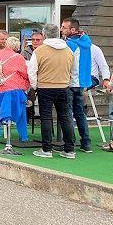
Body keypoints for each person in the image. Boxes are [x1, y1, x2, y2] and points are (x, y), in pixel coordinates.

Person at [28, 24, 76, 159]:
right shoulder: (68, 50)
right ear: (58, 33)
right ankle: (69, 150)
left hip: (45, 87)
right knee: (65, 117)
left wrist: (35, 86)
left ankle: (47, 149)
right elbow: (74, 71)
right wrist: (68, 82)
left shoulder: (39, 51)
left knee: (46, 118)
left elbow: (32, 71)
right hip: (64, 87)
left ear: (44, 35)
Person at [61, 17, 94, 153]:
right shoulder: (86, 42)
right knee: (80, 113)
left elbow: (65, 63)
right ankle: (86, 143)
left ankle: (70, 143)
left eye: (64, 27)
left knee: (68, 113)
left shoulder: (69, 44)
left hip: (70, 81)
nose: (61, 29)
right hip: (82, 82)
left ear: (72, 30)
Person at [0, 37, 30, 141]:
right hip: (12, 91)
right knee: (22, 107)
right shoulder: (18, 57)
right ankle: (23, 135)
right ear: (17, 46)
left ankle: (1, 128)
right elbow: (25, 74)